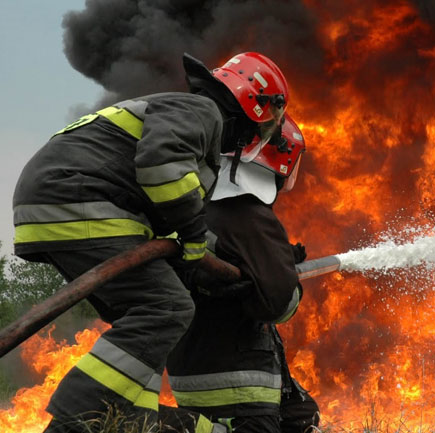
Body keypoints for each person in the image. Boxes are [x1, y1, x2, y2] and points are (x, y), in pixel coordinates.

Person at [12, 51, 289, 433]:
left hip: (56, 203)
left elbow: (162, 203)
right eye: (269, 123)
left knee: (141, 316)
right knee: (168, 308)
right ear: (255, 105)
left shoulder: (184, 113)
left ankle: (122, 418)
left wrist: (206, 260)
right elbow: (162, 167)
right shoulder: (202, 111)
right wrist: (194, 240)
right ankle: (75, 420)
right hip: (80, 199)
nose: (260, 136)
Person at [161, 114, 320, 433]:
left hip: (191, 365)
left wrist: (278, 260)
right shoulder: (249, 214)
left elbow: (228, 262)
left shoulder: (200, 205)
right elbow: (279, 304)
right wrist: (288, 278)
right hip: (236, 376)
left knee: (301, 415)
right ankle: (152, 423)